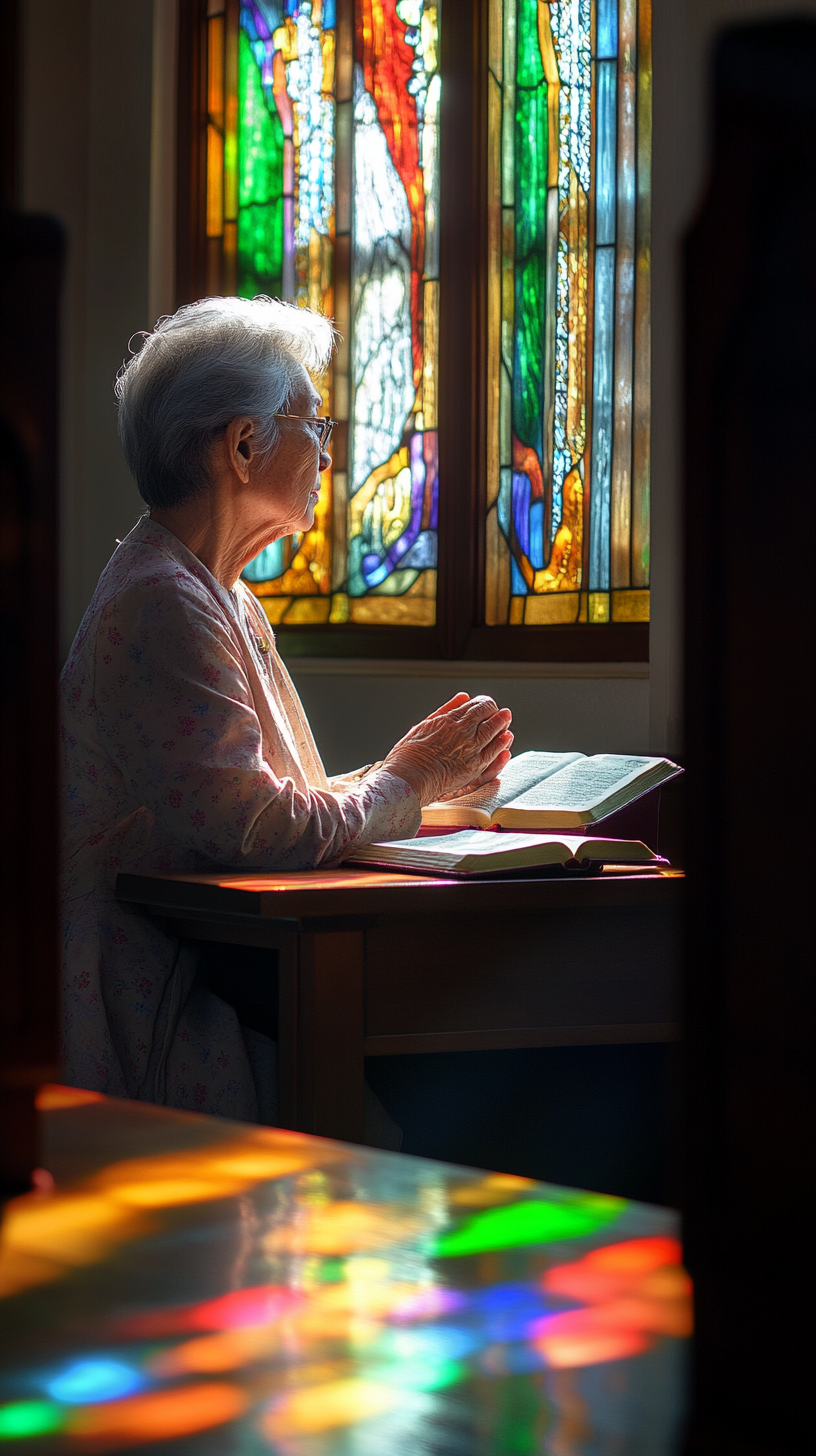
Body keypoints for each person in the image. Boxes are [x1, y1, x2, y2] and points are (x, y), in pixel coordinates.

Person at [60, 296, 513, 1127]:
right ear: (242, 446)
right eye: (317, 427)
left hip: (214, 963)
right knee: (427, 1097)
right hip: (153, 1000)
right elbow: (259, 828)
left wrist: (418, 784)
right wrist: (406, 779)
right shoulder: (161, 600)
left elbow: (250, 799)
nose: (328, 456)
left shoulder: (219, 594)